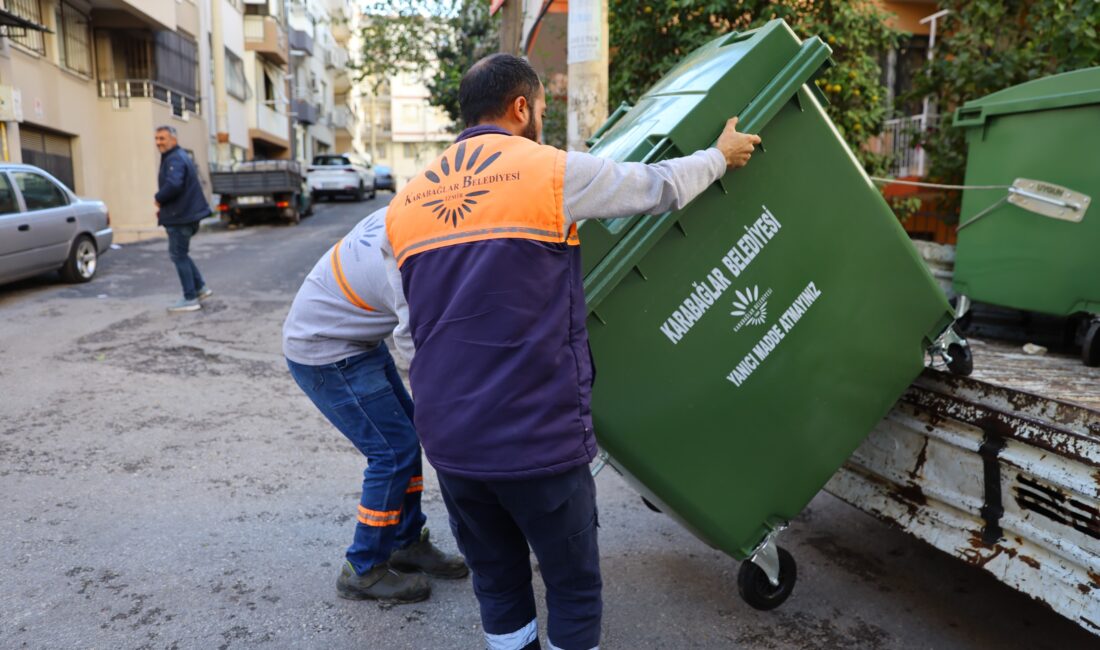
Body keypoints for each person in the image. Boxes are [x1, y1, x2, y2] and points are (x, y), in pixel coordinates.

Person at [384, 53, 760, 650]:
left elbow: (409, 333)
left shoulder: (405, 204)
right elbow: (657, 186)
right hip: (538, 439)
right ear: (521, 107)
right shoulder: (546, 171)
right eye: (540, 108)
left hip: (451, 444)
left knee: (497, 582)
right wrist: (720, 155)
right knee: (573, 587)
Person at [283, 209, 468, 604]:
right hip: (326, 349)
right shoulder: (411, 264)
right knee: (392, 452)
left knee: (406, 437)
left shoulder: (413, 211)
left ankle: (406, 542)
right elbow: (419, 348)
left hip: (355, 336)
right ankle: (363, 567)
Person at [154, 126, 213, 313]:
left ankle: (190, 298)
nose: (158, 142)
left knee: (178, 255)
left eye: (162, 138)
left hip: (180, 217)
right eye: (156, 138)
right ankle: (199, 287)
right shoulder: (179, 156)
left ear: (173, 139)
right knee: (181, 254)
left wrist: (158, 198)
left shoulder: (175, 158)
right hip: (184, 215)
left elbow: (174, 184)